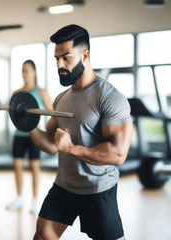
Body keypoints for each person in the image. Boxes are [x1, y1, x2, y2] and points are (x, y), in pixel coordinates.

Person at [29, 25, 133, 240]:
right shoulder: (61, 98)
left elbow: (118, 154)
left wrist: (71, 148)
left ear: (85, 55)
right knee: (43, 235)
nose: (59, 64)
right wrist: (27, 124)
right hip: (64, 185)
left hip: (97, 189)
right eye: (56, 58)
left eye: (66, 57)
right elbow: (49, 144)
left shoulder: (109, 98)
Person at [6, 60, 52, 214]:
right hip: (19, 135)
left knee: (34, 167)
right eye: (23, 71)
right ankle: (19, 198)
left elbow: (52, 112)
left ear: (34, 72)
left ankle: (34, 200)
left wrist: (50, 132)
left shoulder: (41, 92)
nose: (25, 74)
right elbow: (12, 113)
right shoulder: (16, 93)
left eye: (28, 70)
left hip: (35, 136)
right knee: (17, 166)